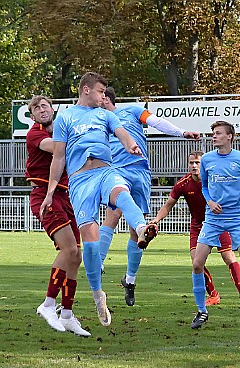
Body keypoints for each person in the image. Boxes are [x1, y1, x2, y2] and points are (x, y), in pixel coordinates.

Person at [39, 72, 158, 327]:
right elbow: (58, 157)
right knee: (90, 247)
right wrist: (50, 192)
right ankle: (97, 295)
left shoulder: (105, 114)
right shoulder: (67, 117)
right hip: (81, 183)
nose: (104, 96)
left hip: (105, 171)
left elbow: (122, 132)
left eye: (105, 93)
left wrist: (130, 145)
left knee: (122, 193)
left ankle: (140, 227)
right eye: (100, 91)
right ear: (85, 90)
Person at [99, 87, 200, 306]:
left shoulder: (133, 110)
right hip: (116, 172)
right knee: (113, 215)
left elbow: (156, 122)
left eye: (99, 97)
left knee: (137, 234)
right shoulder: (97, 121)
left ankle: (130, 280)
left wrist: (182, 132)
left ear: (106, 98)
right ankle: (97, 263)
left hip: (140, 172)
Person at [150, 151, 240, 310]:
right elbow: (168, 205)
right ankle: (213, 294)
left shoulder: (215, 178)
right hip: (198, 226)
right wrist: (156, 220)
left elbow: (239, 196)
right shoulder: (183, 184)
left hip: (219, 222)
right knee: (196, 262)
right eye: (191, 163)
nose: (194, 166)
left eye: (198, 163)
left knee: (229, 257)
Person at [190, 121, 240, 333]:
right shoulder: (207, 159)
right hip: (213, 219)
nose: (214, 137)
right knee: (197, 264)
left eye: (218, 133)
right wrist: (209, 202)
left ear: (229, 136)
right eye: (213, 133)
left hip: (236, 218)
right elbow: (205, 186)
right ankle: (201, 311)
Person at [25, 95, 90, 337]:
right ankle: (49, 303)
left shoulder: (60, 128)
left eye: (44, 106)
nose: (42, 110)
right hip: (45, 195)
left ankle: (68, 314)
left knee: (76, 256)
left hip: (65, 196)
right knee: (68, 251)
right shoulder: (35, 134)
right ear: (32, 116)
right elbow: (57, 148)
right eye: (36, 108)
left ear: (52, 109)